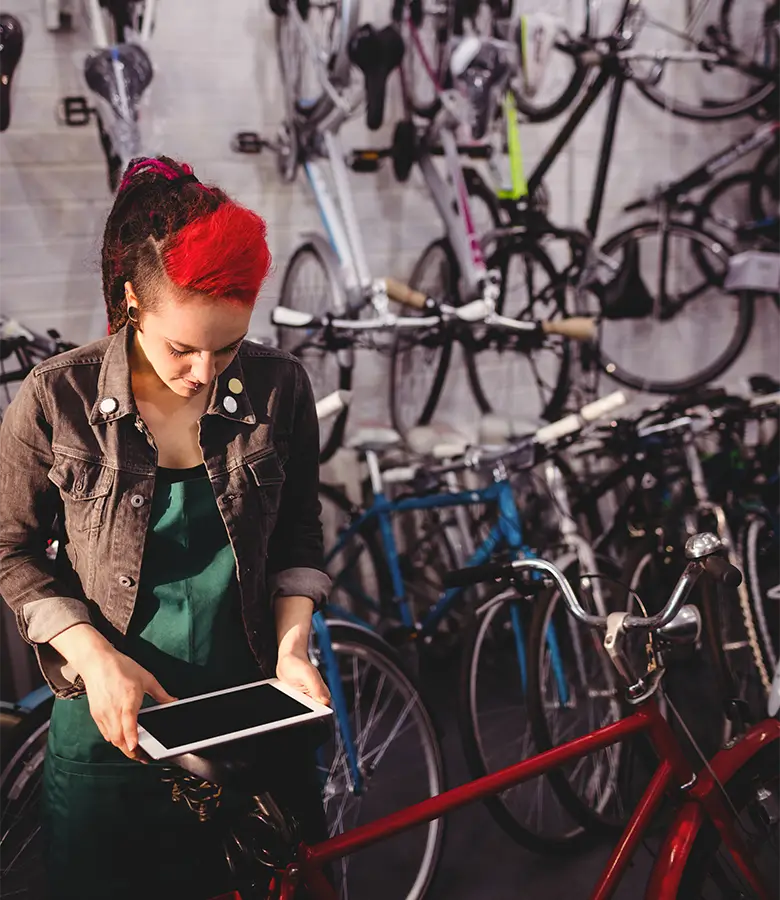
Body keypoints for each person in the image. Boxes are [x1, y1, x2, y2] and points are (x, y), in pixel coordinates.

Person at [0, 156, 332, 899]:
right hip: (112, 726)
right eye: (183, 348)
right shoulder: (59, 398)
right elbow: (9, 550)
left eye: (229, 346)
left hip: (252, 723)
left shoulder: (281, 389)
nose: (206, 371)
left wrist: (293, 647)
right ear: (132, 303)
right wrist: (91, 656)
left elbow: (298, 539)